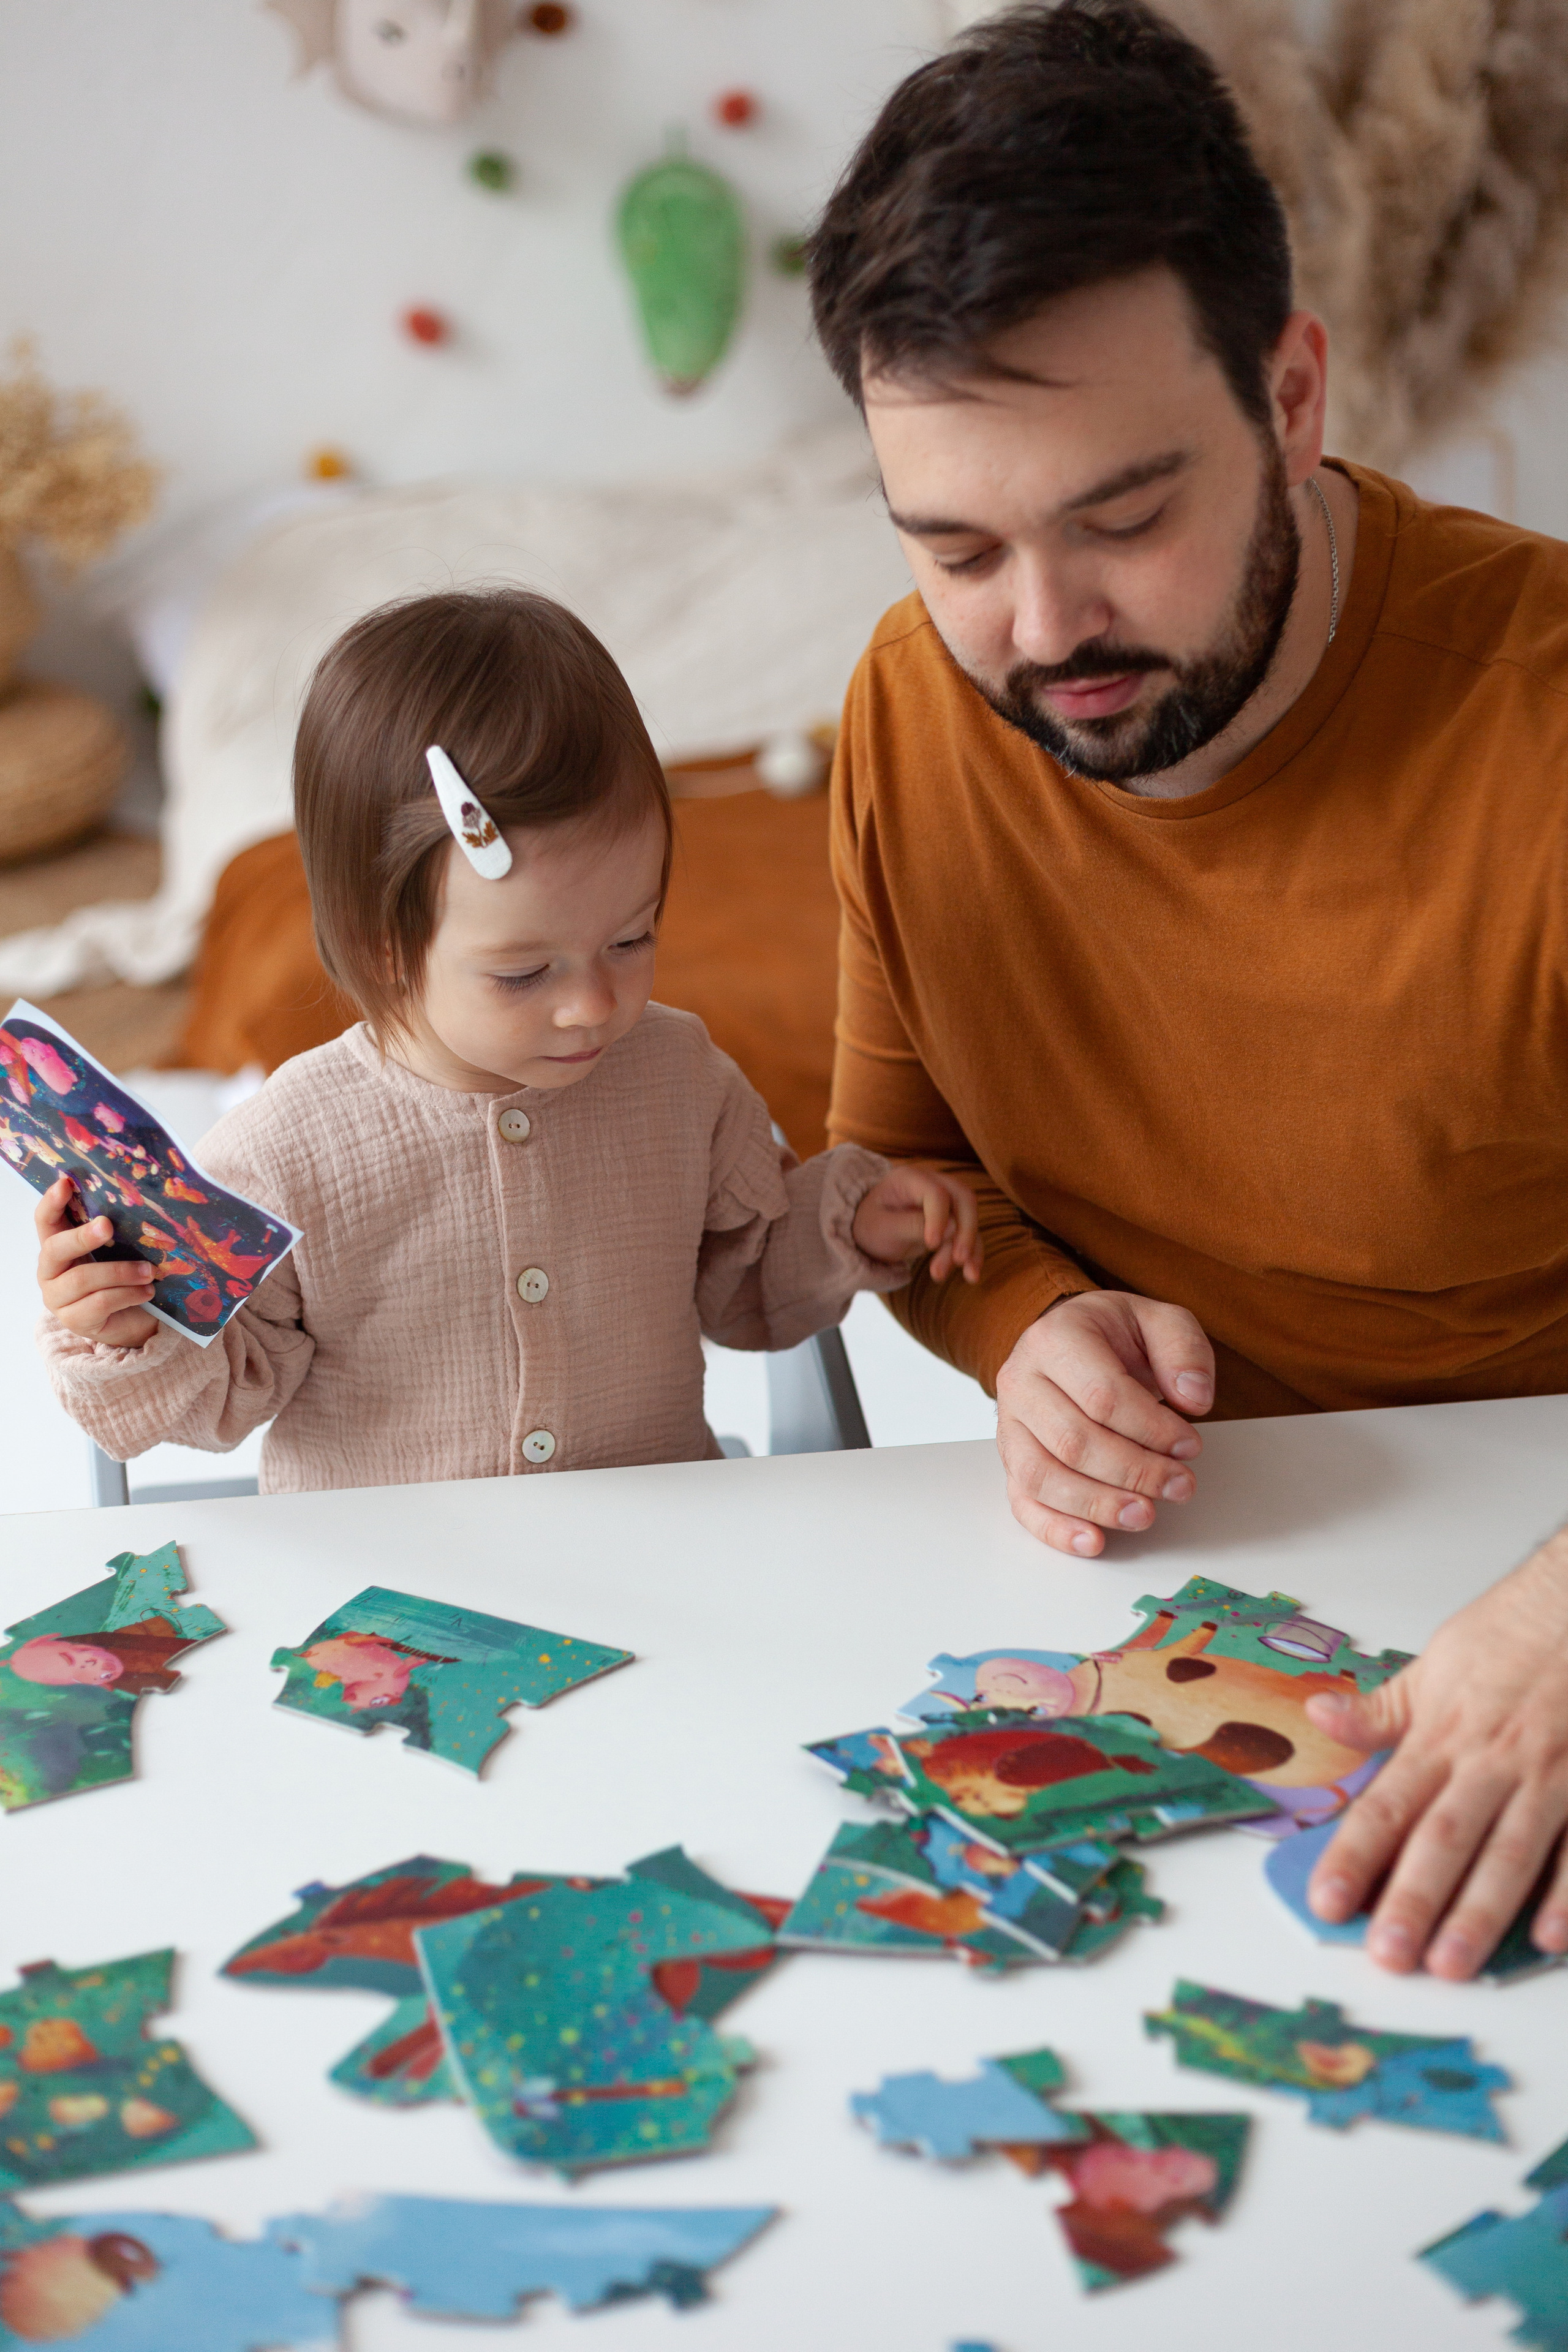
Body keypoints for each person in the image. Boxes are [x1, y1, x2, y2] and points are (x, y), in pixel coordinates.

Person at [807, 0, 1568, 1977]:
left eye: (1124, 519)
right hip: (1161, 1634)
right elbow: (898, 1173)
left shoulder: (1542, 726)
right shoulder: (910, 708)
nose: (1044, 633)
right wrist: (1030, 1331)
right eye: (955, 547)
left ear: (1295, 399)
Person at [32, 589, 980, 1494]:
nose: (593, 1005)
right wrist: (124, 1329)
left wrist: (847, 1223)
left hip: (658, 1545)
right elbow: (230, 1392)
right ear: (383, 947)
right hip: (392, 1598)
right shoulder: (283, 1151)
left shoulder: (682, 1078)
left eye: (632, 938)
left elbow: (746, 1280)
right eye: (524, 973)